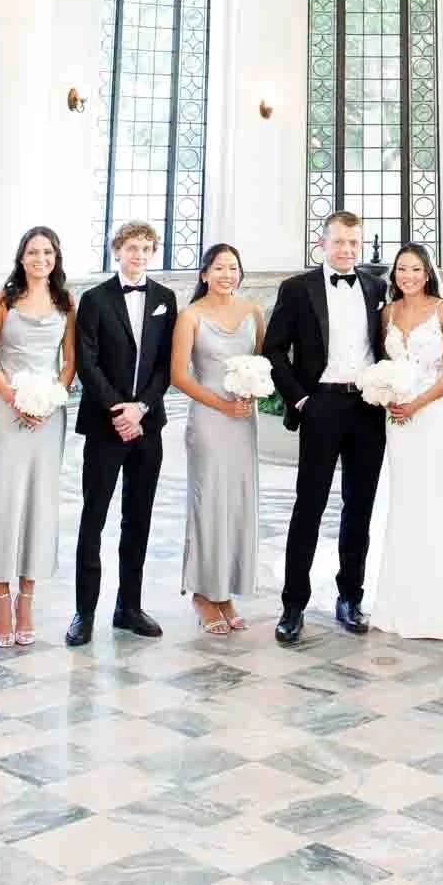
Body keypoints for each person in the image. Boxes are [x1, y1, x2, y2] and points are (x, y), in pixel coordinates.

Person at [264, 210, 386, 644]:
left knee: (360, 506)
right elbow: (274, 349)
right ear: (322, 243)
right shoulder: (297, 289)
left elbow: (387, 346)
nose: (348, 250)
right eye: (339, 242)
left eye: (354, 243)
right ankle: (293, 604)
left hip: (369, 407)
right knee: (309, 505)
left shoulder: (377, 286)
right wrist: (300, 399)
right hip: (321, 405)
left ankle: (350, 597)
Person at [68, 219, 177, 645]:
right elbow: (86, 361)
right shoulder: (94, 300)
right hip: (105, 424)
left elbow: (167, 362)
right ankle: (84, 612)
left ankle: (128, 607)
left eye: (146, 248)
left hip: (148, 426)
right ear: (117, 251)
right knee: (93, 518)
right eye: (132, 247)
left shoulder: (166, 299)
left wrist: (142, 407)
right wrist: (119, 408)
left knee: (139, 517)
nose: (139, 255)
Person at [0, 225, 76, 648]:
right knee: (2, 502)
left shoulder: (67, 302)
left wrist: (49, 401)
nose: (41, 259)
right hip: (5, 411)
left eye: (47, 252)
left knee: (38, 504)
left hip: (48, 418)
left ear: (56, 258)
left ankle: (27, 601)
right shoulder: (4, 298)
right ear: (22, 257)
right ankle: (0, 600)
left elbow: (69, 362)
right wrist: (14, 398)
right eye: (33, 252)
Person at [367, 244, 443, 639]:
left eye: (415, 269)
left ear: (427, 272)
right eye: (401, 269)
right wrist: (387, 393)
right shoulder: (386, 315)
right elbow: (382, 364)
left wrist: (419, 401)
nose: (407, 276)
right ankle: (399, 602)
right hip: (399, 420)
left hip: (433, 415)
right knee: (404, 503)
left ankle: (438, 605)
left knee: (434, 499)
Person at [170, 240, 263, 635]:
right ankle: (203, 594)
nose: (228, 275)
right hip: (209, 420)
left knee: (237, 504)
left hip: (243, 422)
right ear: (204, 273)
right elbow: (179, 376)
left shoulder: (254, 312)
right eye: (219, 268)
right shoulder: (190, 316)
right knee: (208, 503)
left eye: (233, 268)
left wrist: (251, 390)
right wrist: (221, 404)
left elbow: (261, 363)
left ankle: (225, 592)